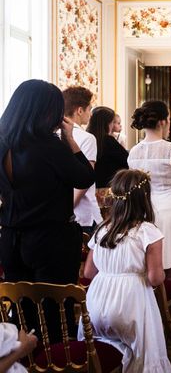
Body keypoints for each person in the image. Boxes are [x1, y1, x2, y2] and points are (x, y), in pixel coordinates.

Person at [0, 80, 94, 340]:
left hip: (9, 237)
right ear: (47, 111)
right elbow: (85, 177)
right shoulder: (49, 146)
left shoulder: (2, 141)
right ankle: (53, 361)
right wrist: (71, 140)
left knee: (21, 309)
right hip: (50, 239)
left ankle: (24, 362)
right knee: (54, 313)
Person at [81, 169, 171, 372]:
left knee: (102, 343)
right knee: (142, 354)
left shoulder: (102, 230)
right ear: (145, 199)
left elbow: (88, 273)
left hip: (95, 306)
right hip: (130, 304)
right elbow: (155, 278)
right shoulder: (147, 232)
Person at [128, 101, 171, 282]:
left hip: (144, 212)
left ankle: (154, 306)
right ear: (163, 122)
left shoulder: (133, 152)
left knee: (147, 267)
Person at [63, 86, 101, 234]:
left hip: (62, 213)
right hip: (84, 214)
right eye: (89, 109)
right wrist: (66, 209)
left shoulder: (53, 134)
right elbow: (85, 180)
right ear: (80, 110)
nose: (90, 114)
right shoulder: (87, 138)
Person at [86, 106, 128, 206]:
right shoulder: (108, 141)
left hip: (90, 191)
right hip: (108, 191)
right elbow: (127, 161)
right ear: (107, 123)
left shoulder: (87, 138)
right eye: (112, 122)